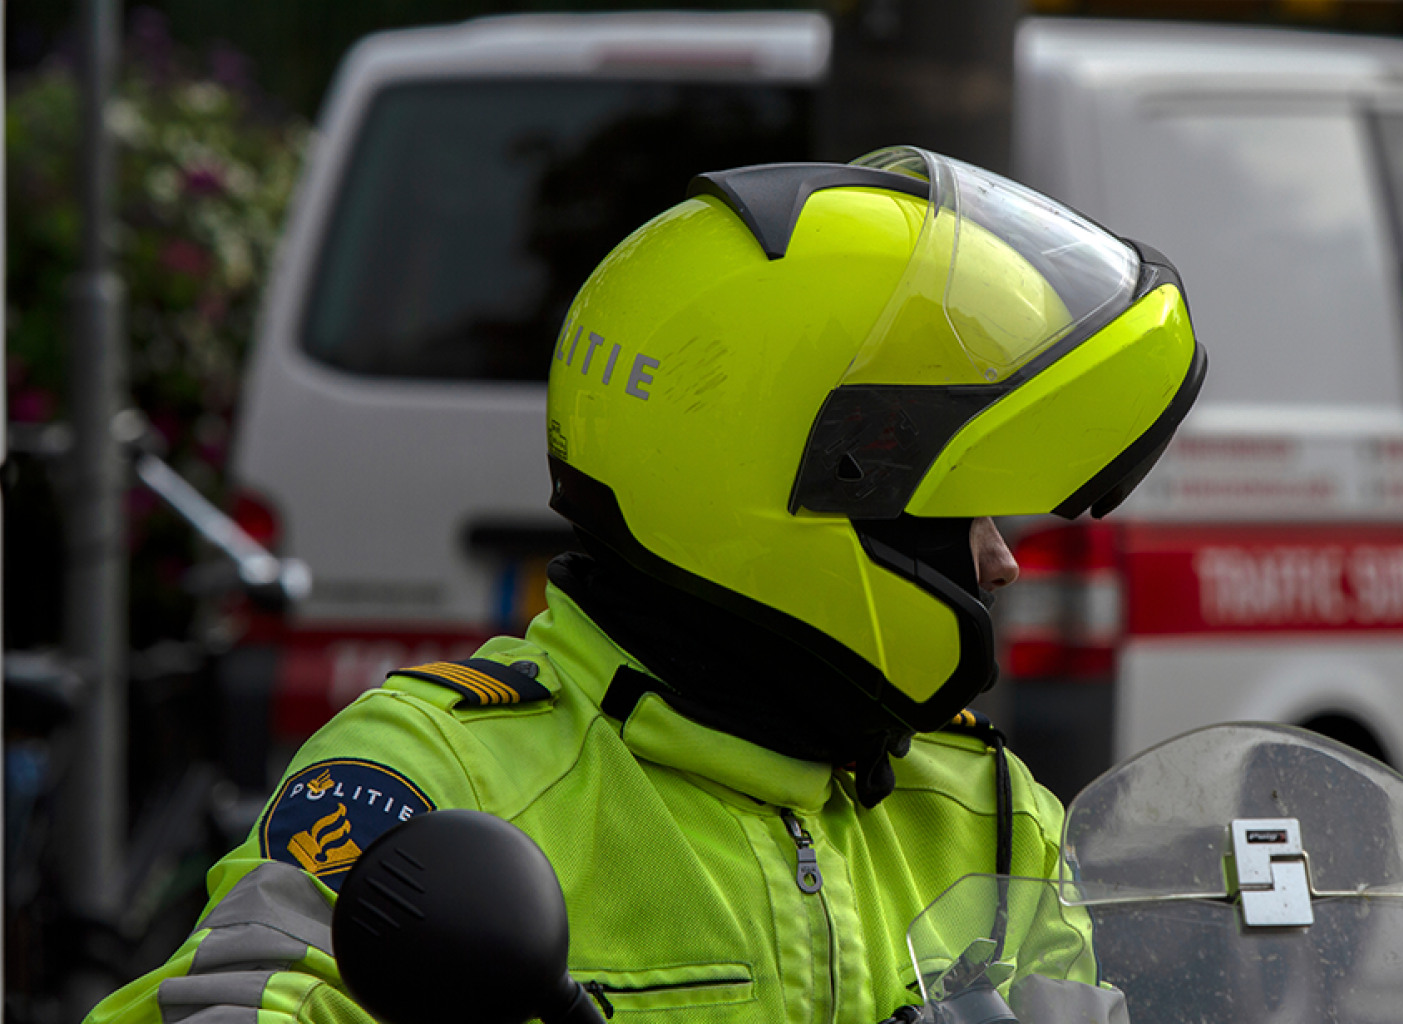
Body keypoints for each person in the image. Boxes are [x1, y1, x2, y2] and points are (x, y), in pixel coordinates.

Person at [84, 145, 1206, 1024]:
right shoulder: (439, 780)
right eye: (959, 514)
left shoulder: (987, 815)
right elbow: (233, 1001)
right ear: (791, 496)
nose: (1004, 559)